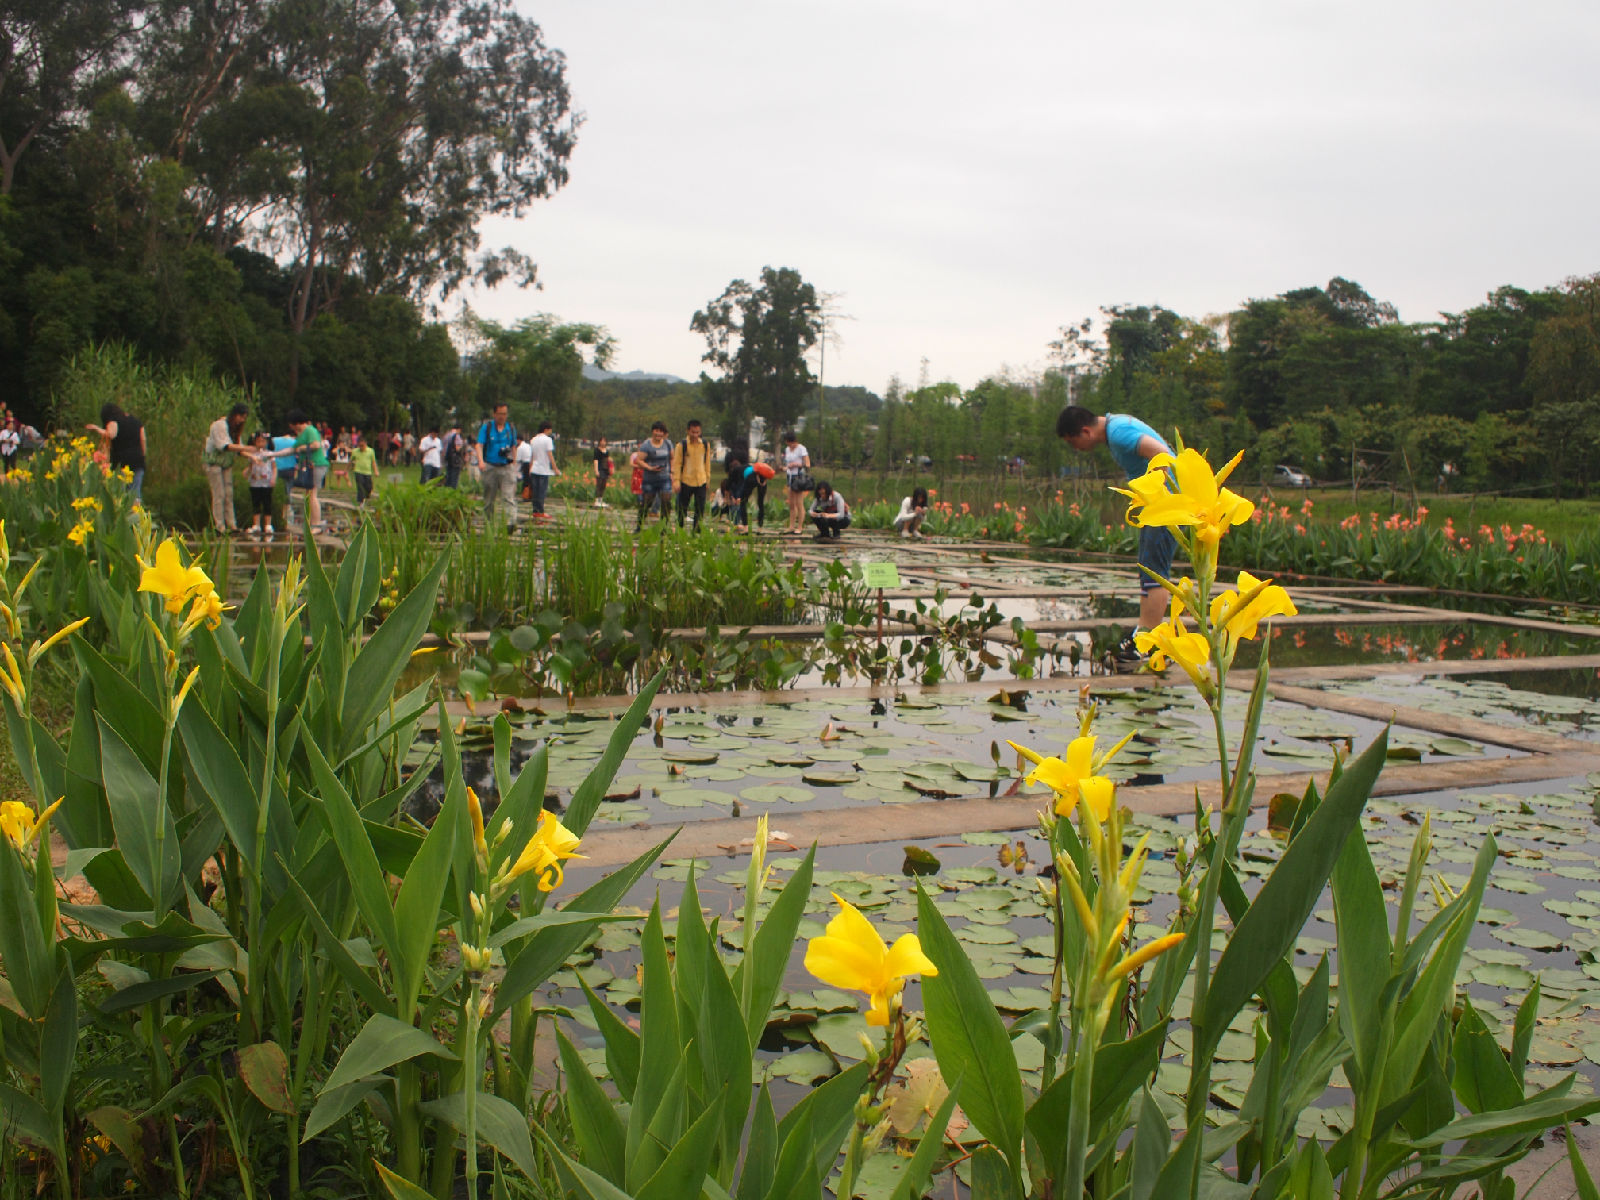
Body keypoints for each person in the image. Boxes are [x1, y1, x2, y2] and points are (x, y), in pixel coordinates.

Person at [1057, 405, 1175, 671]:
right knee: (1148, 569)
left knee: (1154, 573)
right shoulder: (1116, 429)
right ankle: (1145, 637)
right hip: (1158, 506)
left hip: (1166, 505)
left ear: (1085, 431)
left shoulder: (1119, 432)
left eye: (1073, 442)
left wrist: (1156, 495)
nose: (1076, 449)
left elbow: (1162, 455)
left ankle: (1148, 642)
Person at [275, 409, 329, 531]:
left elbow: (316, 445)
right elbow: (292, 450)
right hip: (309, 466)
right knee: (309, 495)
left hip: (316, 465)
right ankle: (311, 523)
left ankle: (316, 524)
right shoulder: (302, 434)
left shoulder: (310, 430)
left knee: (312, 494)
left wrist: (303, 448)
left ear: (296, 422)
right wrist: (273, 454)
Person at [202, 402, 252, 533]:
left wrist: (253, 456)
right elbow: (224, 446)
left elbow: (238, 449)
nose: (242, 420)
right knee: (220, 494)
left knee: (229, 494)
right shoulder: (219, 426)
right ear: (235, 415)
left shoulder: (235, 430)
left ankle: (232, 525)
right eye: (241, 416)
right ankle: (220, 526)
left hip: (226, 464)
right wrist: (249, 448)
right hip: (214, 463)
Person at [86, 402, 147, 500]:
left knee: (120, 494)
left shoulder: (113, 421)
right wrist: (143, 455)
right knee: (135, 494)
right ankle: (136, 513)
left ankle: (123, 514)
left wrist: (97, 429)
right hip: (138, 461)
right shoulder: (136, 421)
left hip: (122, 463)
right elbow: (143, 439)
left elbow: (111, 434)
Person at [475, 403, 519, 531]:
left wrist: (514, 462)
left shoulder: (510, 428)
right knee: (489, 498)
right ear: (494, 414)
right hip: (490, 466)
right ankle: (488, 523)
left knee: (508, 496)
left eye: (505, 414)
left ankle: (510, 523)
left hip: (506, 467)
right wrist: (481, 461)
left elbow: (513, 446)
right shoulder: (487, 428)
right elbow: (479, 445)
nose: (502, 416)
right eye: (500, 414)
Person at [672, 419, 712, 531]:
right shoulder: (681, 445)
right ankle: (680, 530)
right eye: (693, 432)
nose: (695, 435)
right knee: (682, 508)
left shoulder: (704, 445)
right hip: (686, 480)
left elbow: (707, 463)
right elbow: (677, 464)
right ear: (688, 431)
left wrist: (707, 479)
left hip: (701, 480)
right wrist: (676, 481)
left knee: (700, 508)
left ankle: (697, 531)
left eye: (697, 432)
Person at [721, 454, 776, 533]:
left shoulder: (735, 471)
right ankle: (760, 528)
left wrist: (737, 497)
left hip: (751, 479)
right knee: (760, 503)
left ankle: (746, 528)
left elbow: (734, 485)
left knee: (743, 503)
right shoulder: (747, 468)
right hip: (763, 480)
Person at [634, 421, 673, 530]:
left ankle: (664, 527)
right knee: (647, 503)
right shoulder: (646, 445)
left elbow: (672, 457)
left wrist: (672, 471)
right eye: (656, 431)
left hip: (664, 478)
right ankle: (639, 525)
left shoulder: (668, 444)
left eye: (661, 431)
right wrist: (649, 467)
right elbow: (639, 460)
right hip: (650, 478)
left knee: (666, 500)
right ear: (652, 431)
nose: (658, 434)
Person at [245, 430, 279, 537]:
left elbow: (274, 468)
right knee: (256, 503)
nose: (260, 444)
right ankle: (256, 525)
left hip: (266, 482)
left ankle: (268, 524)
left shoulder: (270, 454)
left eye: (263, 441)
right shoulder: (252, 455)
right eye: (258, 441)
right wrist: (247, 472)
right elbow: (250, 467)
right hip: (255, 482)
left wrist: (273, 478)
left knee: (267, 503)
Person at [781, 431, 811, 534]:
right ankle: (791, 526)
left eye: (791, 443)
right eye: (788, 443)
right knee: (791, 503)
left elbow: (807, 463)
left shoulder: (801, 448)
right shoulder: (787, 450)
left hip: (798, 477)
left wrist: (796, 464)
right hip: (789, 476)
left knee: (799, 502)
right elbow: (787, 462)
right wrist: (786, 467)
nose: (790, 445)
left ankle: (800, 527)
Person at [528, 420, 558, 520]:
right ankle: (540, 511)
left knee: (535, 492)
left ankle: (535, 511)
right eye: (550, 430)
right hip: (543, 470)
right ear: (546, 429)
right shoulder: (547, 440)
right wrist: (555, 469)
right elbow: (550, 456)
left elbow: (532, 456)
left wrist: (530, 468)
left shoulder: (533, 439)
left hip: (534, 469)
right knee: (542, 492)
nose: (550, 432)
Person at [350, 437, 377, 505]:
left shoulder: (371, 451)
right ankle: (361, 502)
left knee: (368, 487)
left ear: (365, 444)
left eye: (362, 446)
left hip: (367, 472)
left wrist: (376, 471)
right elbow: (351, 461)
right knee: (360, 486)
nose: (361, 447)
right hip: (358, 471)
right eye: (360, 446)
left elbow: (373, 462)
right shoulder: (355, 451)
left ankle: (367, 496)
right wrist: (347, 469)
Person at [443, 422, 467, 488]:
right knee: (455, 477)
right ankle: (453, 491)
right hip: (455, 459)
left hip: (448, 458)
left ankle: (446, 490)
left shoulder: (446, 435)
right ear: (459, 429)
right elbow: (457, 448)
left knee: (449, 475)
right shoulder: (457, 436)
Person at [592, 437, 613, 507]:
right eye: (602, 441)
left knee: (603, 484)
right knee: (599, 484)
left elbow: (608, 461)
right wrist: (596, 470)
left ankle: (601, 499)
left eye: (604, 441)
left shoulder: (607, 451)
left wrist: (610, 470)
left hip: (605, 469)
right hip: (599, 468)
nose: (603, 442)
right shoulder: (597, 450)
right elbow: (595, 460)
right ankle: (596, 500)